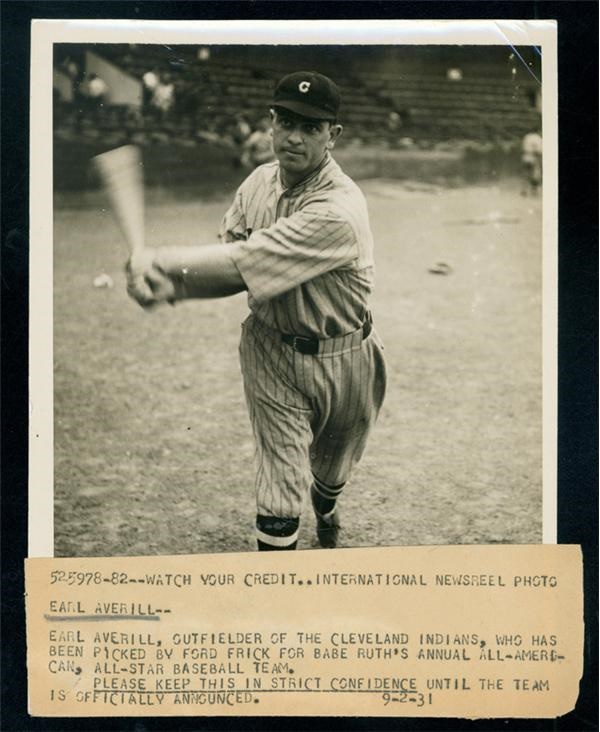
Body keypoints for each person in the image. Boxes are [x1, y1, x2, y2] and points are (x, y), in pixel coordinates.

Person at [126, 71, 387, 552]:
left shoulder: (338, 211)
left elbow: (241, 264)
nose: (294, 136)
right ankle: (276, 600)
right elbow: (226, 271)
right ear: (270, 121)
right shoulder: (255, 185)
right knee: (279, 494)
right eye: (286, 121)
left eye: (311, 127)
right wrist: (166, 287)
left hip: (345, 356)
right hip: (271, 352)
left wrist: (159, 261)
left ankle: (327, 502)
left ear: (334, 135)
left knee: (331, 473)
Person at [520, 127, 542, 196]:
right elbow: (539, 150)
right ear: (537, 131)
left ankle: (524, 190)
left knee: (526, 174)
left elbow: (523, 147)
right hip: (534, 157)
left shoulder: (527, 137)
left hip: (525, 157)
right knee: (535, 175)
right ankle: (534, 192)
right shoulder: (538, 138)